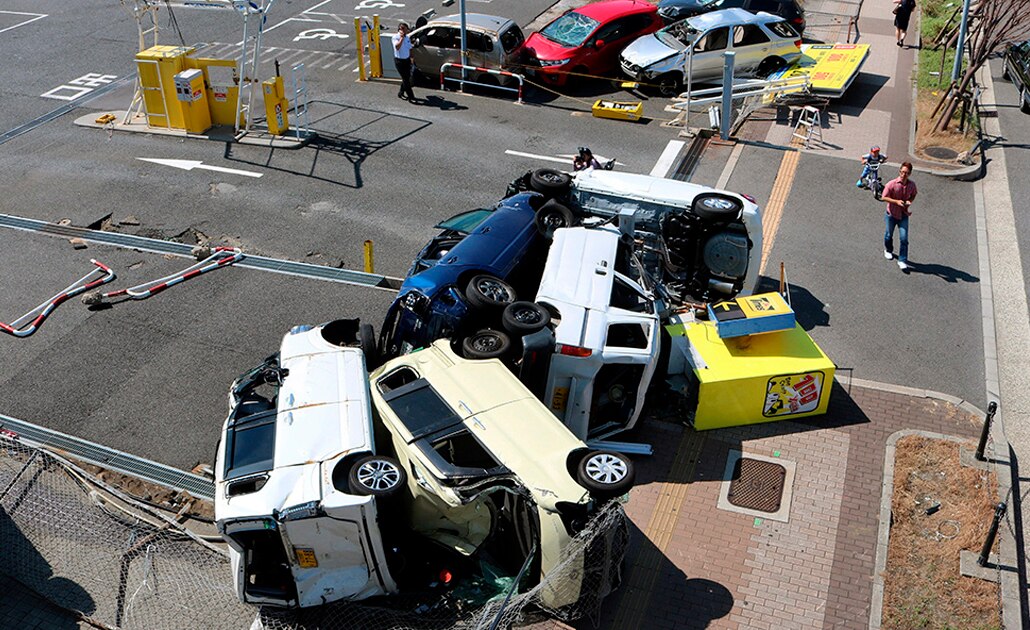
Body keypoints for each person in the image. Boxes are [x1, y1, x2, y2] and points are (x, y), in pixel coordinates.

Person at [880, 162, 917, 271]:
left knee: (904, 238)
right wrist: (896, 202)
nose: (903, 174)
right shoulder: (891, 184)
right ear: (899, 171)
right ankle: (888, 250)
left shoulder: (912, 185)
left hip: (903, 215)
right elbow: (884, 197)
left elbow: (914, 194)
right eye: (902, 172)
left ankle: (902, 260)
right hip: (891, 214)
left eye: (906, 173)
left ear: (910, 174)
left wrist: (910, 201)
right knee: (888, 235)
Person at [392, 22, 416, 101]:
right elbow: (397, 47)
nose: (406, 31)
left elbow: (410, 48)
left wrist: (412, 58)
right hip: (399, 61)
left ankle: (401, 92)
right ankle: (411, 96)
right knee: (406, 79)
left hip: (407, 60)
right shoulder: (395, 37)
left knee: (407, 78)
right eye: (405, 29)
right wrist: (401, 38)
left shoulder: (407, 38)